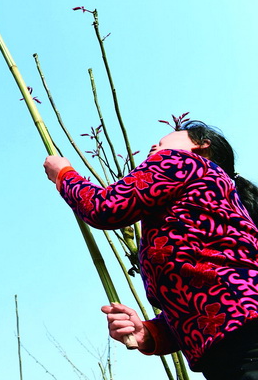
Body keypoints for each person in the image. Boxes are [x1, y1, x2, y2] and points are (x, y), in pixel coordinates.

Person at [43, 120, 258, 380]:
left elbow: (106, 207)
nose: (155, 145)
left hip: (242, 340)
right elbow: (202, 303)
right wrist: (149, 334)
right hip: (230, 345)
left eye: (165, 140)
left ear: (201, 146)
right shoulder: (207, 200)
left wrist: (64, 175)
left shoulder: (180, 162)